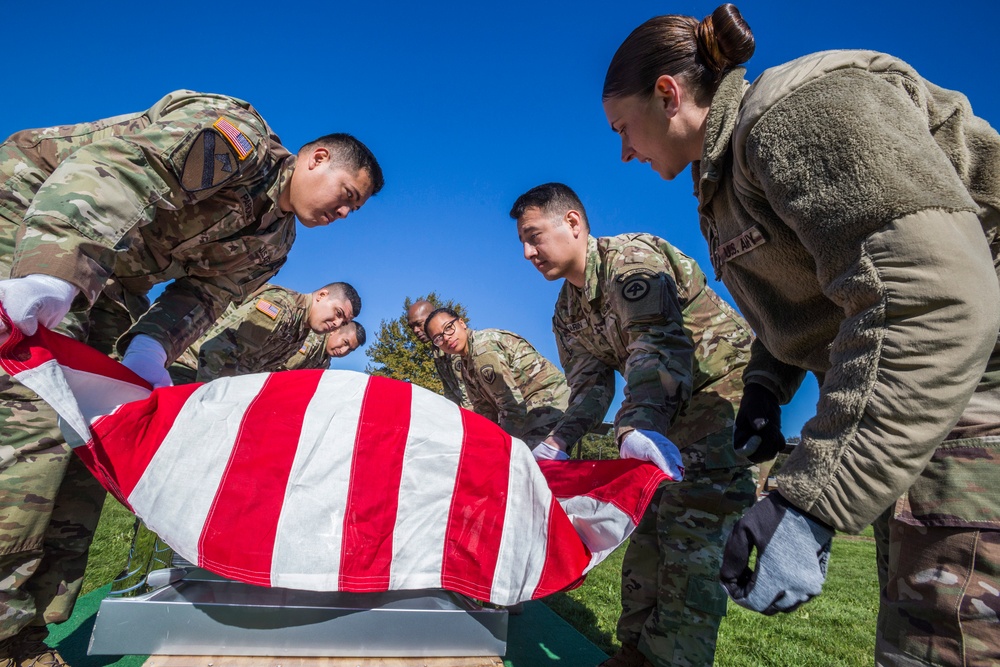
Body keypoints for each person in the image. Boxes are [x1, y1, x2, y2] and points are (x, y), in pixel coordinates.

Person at [602, 5, 1000, 666]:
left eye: (623, 128)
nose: (623, 151)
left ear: (668, 95)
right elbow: (821, 283)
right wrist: (767, 379)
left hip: (970, 392)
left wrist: (815, 498)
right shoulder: (722, 180)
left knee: (945, 645)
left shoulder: (799, 112)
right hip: (935, 401)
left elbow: (930, 296)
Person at [0, 90, 384, 666]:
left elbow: (203, 297)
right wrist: (48, 276)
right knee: (35, 423)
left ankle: (32, 627)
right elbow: (118, 172)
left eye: (356, 209)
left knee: (98, 437)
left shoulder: (274, 244)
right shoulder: (237, 139)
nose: (345, 213)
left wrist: (149, 352)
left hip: (115, 278)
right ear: (316, 159)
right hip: (38, 217)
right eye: (347, 196)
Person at [510, 182, 756, 667]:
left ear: (574, 224)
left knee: (691, 540)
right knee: (646, 530)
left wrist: (635, 424)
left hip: (719, 402)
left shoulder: (631, 260)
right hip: (658, 418)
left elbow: (657, 346)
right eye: (522, 240)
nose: (527, 252)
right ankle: (635, 651)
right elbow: (591, 388)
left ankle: (673, 659)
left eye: (535, 236)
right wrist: (559, 441)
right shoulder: (566, 311)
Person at [424, 307, 570, 448]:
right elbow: (485, 412)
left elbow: (512, 407)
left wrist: (499, 447)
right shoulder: (465, 363)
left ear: (461, 323)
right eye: (438, 338)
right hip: (528, 410)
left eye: (449, 327)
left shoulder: (483, 349)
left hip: (549, 404)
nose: (447, 338)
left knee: (525, 462)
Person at [168, 282, 361, 384]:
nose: (336, 324)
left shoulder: (300, 330)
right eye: (337, 313)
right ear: (321, 295)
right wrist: (203, 400)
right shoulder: (281, 308)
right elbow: (214, 351)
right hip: (191, 372)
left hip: (216, 383)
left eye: (343, 322)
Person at [406, 299, 472, 408]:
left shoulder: (454, 344)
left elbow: (468, 393)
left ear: (431, 318)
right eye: (412, 327)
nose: (415, 330)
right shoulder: (437, 350)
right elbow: (450, 392)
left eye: (418, 324)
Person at [284, 321, 366, 371]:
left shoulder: (325, 361)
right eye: (345, 342)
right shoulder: (311, 340)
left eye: (350, 350)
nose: (343, 351)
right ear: (334, 330)